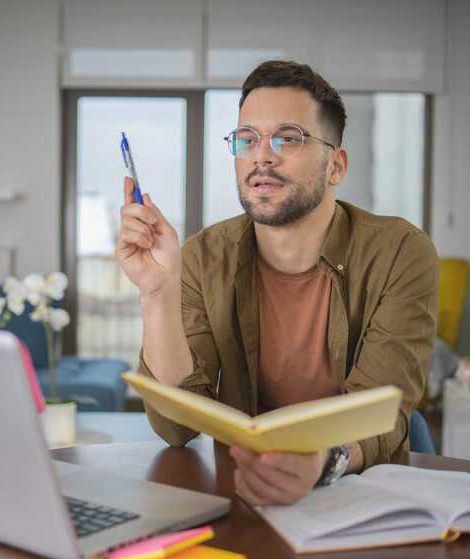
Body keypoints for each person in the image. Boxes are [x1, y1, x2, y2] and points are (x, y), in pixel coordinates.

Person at [116, 60, 438, 506]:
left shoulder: (400, 251)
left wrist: (320, 463)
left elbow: (384, 410)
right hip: (245, 492)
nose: (262, 155)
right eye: (246, 139)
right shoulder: (202, 256)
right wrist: (157, 294)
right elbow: (176, 427)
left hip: (361, 495)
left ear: (336, 166)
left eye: (288, 138)